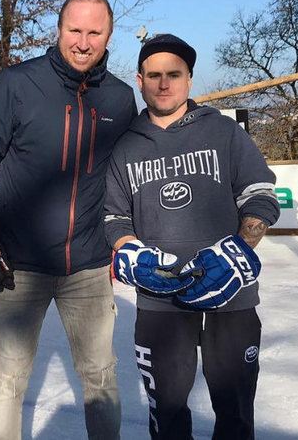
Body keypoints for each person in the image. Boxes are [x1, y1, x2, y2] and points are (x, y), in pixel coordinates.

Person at [0, 0, 137, 440]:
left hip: (88, 266)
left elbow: (130, 176)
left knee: (101, 378)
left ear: (109, 35)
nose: (84, 41)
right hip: (18, 265)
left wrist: (124, 241)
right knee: (9, 379)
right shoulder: (16, 84)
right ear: (58, 29)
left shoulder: (120, 100)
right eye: (75, 29)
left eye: (95, 31)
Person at [103, 34, 281, 440]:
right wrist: (129, 252)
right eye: (154, 75)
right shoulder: (124, 146)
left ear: (189, 80)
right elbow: (113, 217)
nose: (163, 84)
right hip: (160, 305)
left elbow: (260, 195)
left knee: (235, 416)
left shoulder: (224, 132)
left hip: (232, 301)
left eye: (173, 74)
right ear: (139, 80)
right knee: (167, 416)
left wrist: (238, 249)